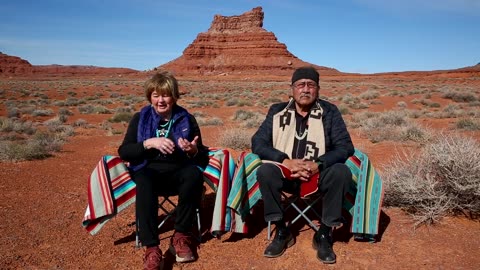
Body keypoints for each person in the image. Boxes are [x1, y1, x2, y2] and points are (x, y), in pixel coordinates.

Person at [251, 66, 354, 264]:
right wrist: (285, 161)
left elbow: (345, 147)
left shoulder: (329, 112)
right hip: (286, 173)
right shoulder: (277, 110)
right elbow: (258, 142)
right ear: (292, 89)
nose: (305, 89)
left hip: (318, 174)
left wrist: (319, 164)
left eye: (311, 85)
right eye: (300, 85)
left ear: (318, 89)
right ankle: (282, 230)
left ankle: (324, 234)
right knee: (265, 171)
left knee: (341, 172)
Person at [118, 71, 209, 270]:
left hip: (178, 171)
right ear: (150, 97)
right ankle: (152, 248)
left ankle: (180, 237)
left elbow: (202, 155)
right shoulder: (139, 118)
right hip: (148, 170)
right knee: (144, 181)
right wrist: (149, 143)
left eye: (165, 95)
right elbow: (124, 151)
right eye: (156, 95)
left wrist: (193, 150)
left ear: (174, 97)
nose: (160, 100)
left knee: (193, 174)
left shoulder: (187, 119)